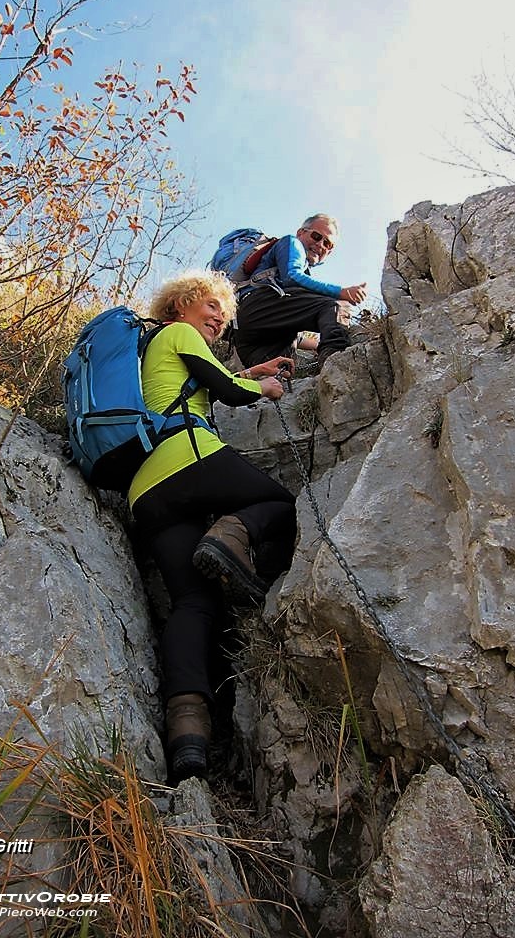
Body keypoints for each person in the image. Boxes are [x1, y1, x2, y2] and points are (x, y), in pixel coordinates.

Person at [128, 269, 297, 783]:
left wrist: (255, 370)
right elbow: (222, 387)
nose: (220, 315)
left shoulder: (153, 354)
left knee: (193, 603)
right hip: (186, 457)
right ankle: (232, 539)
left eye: (225, 310)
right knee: (281, 502)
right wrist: (264, 385)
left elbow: (202, 380)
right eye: (212, 305)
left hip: (146, 491)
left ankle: (188, 736)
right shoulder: (174, 331)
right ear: (181, 304)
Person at [233, 213, 367, 369]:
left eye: (328, 244)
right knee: (336, 306)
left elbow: (290, 320)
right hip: (257, 304)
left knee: (278, 375)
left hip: (247, 330)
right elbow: (292, 275)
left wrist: (317, 345)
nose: (321, 245)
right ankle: (337, 363)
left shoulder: (294, 297)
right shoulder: (291, 242)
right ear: (301, 233)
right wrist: (341, 292)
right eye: (317, 236)